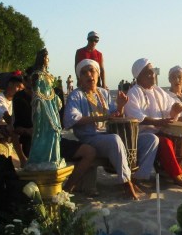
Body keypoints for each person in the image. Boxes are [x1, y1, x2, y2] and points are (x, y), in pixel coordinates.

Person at [64, 59, 158, 199]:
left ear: (98, 74)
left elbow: (116, 116)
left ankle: (138, 178)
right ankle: (126, 184)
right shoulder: (76, 95)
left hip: (109, 136)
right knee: (115, 139)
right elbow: (71, 120)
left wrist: (120, 106)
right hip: (90, 138)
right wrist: (102, 118)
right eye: (84, 73)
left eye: (92, 71)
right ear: (80, 78)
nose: (89, 75)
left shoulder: (104, 93)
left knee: (151, 139)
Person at [124, 58, 182, 189]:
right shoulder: (134, 92)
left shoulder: (158, 91)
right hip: (146, 133)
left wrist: (175, 111)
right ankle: (176, 177)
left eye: (152, 72)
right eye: (148, 72)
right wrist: (159, 122)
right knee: (164, 142)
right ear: (138, 76)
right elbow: (136, 117)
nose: (152, 75)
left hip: (165, 129)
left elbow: (171, 112)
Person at [25, 48, 64, 170]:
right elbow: (36, 91)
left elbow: (50, 90)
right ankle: (41, 158)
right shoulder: (36, 75)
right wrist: (39, 101)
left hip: (50, 103)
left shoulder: (48, 76)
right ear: (42, 59)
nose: (48, 60)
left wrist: (56, 97)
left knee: (55, 130)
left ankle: (52, 157)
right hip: (42, 105)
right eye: (46, 58)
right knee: (45, 130)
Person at [0, 75, 29, 166]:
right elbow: (8, 119)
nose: (19, 90)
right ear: (10, 84)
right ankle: (22, 159)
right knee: (14, 129)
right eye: (18, 87)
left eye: (22, 89)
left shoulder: (15, 100)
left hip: (3, 128)